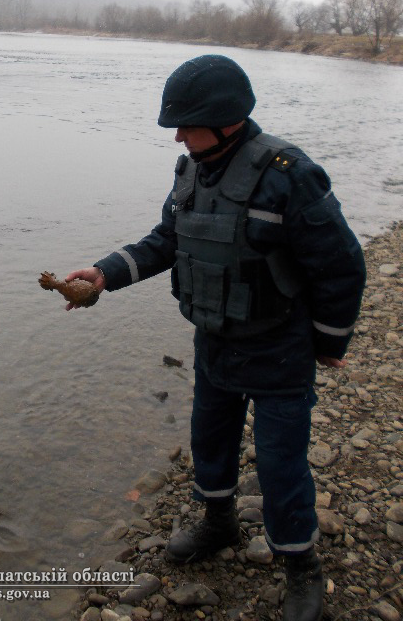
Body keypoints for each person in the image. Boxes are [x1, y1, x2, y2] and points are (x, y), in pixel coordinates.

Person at [65, 54, 365, 621]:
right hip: (215, 344)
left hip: (280, 350)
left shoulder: (289, 174)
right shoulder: (191, 170)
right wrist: (104, 273)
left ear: (225, 120)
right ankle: (219, 524)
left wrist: (330, 343)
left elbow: (342, 265)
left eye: (184, 124)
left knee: (280, 465)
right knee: (211, 441)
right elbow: (165, 240)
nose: (176, 136)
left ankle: (301, 567)